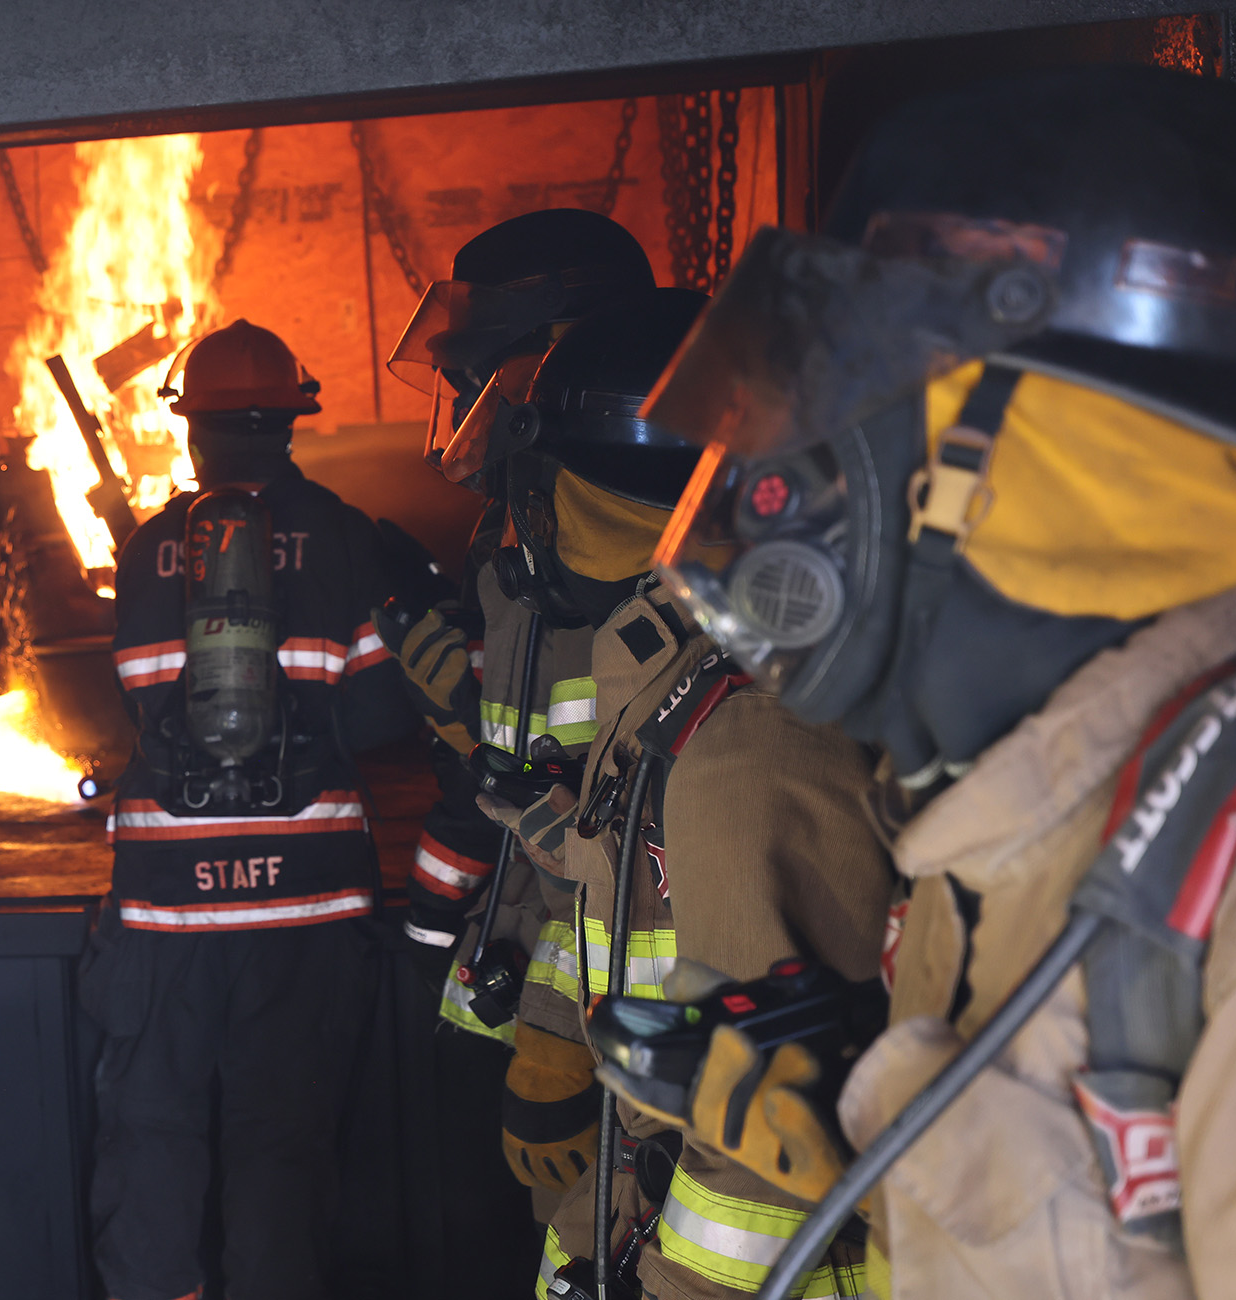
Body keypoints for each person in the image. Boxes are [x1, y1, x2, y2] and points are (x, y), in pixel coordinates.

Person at [641, 65, 1236, 1298]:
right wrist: (879, 1149)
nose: (782, 480)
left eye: (848, 414)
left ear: (1036, 463)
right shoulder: (981, 854)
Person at [423, 287, 893, 1300]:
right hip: (653, 1179)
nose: (518, 532)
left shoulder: (743, 740)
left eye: (537, 495)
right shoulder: (670, 688)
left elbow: (769, 1158)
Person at [85, 320, 413, 1300]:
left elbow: (138, 702)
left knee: (151, 1133)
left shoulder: (148, 550)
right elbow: (382, 712)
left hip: (165, 909)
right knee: (283, 1148)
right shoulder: (351, 540)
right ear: (290, 422)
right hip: (305, 909)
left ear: (191, 429)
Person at [376, 211, 657, 1234]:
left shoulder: (620, 534)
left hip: (624, 1039)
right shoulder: (532, 529)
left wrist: (550, 1039)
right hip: (567, 1012)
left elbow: (636, 836)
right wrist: (469, 727)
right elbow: (547, 775)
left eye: (480, 376)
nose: (463, 403)